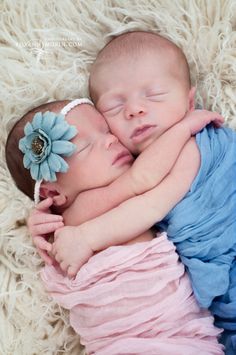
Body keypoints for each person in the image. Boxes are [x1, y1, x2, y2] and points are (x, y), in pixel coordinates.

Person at [28, 31, 236, 354]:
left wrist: (86, 236)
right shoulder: (127, 163)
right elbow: (93, 195)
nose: (136, 110)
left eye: (154, 95)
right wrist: (47, 215)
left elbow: (149, 205)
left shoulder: (191, 145)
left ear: (189, 102)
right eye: (114, 106)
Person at [6, 98, 224, 354]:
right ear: (51, 190)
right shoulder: (87, 205)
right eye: (87, 146)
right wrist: (183, 129)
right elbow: (144, 179)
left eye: (107, 131)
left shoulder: (62, 228)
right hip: (151, 337)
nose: (111, 140)